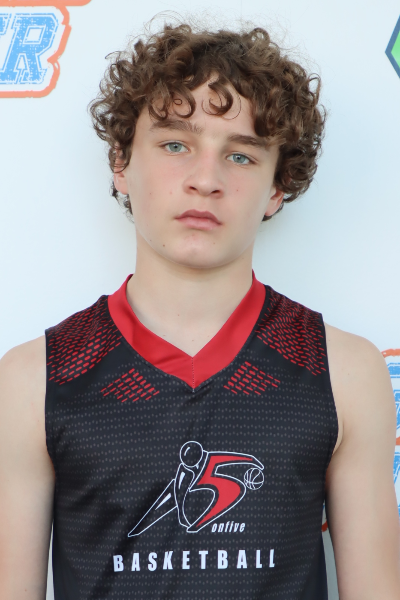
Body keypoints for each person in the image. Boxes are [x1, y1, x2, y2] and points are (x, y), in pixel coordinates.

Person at [0, 18, 399, 600]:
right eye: (175, 145)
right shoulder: (33, 380)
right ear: (121, 162)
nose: (205, 179)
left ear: (277, 187)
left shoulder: (345, 372)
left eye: (240, 156)